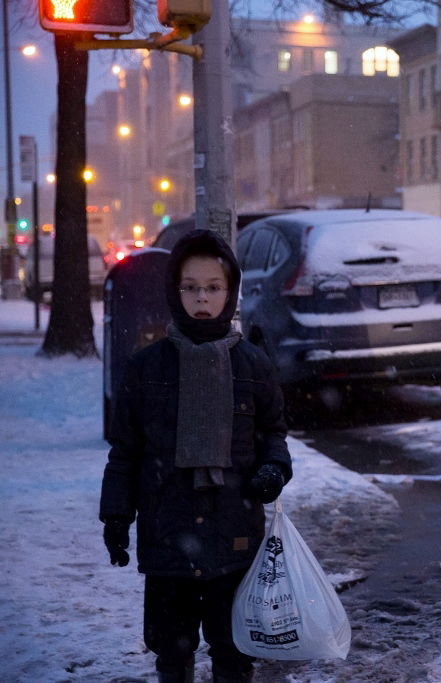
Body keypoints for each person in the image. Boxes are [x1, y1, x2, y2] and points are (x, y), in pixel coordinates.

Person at [99, 229, 293, 683]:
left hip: (235, 536)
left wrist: (273, 468)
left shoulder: (253, 365)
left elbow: (274, 434)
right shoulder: (147, 368)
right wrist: (115, 517)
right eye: (190, 288)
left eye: (212, 287)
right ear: (174, 290)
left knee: (233, 655)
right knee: (173, 654)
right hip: (168, 535)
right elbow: (126, 451)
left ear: (229, 292)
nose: (201, 298)